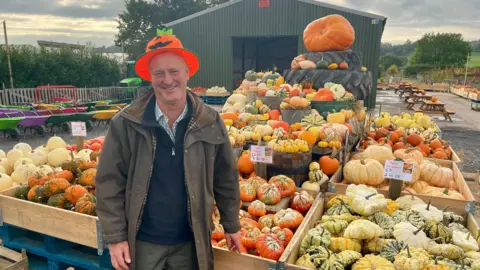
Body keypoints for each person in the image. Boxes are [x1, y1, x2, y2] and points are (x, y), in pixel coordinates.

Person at [95, 29, 242, 270]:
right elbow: (109, 183)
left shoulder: (210, 121)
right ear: (150, 77)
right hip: (142, 244)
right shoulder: (125, 124)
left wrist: (231, 224)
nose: (168, 80)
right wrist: (115, 237)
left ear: (187, 72)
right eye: (159, 73)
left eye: (174, 71)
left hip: (191, 242)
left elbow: (225, 177)